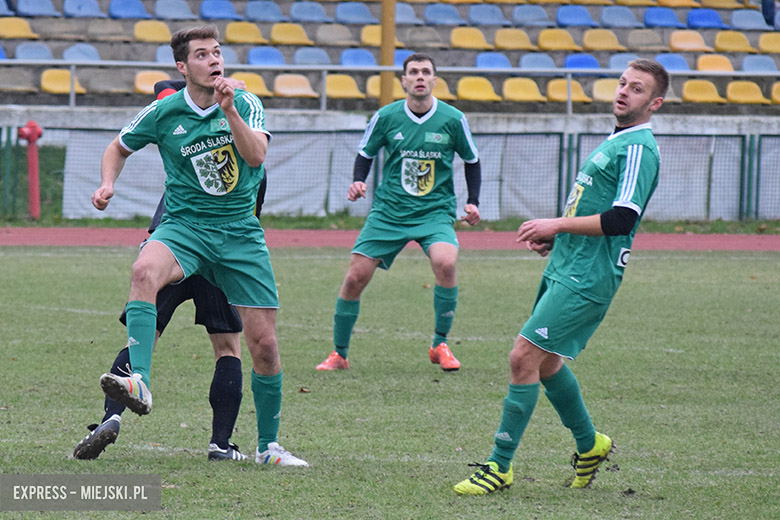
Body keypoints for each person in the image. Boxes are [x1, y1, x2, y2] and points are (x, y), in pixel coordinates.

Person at [89, 25, 306, 466]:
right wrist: (107, 183)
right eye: (203, 54)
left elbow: (255, 158)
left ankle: (268, 447)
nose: (214, 60)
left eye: (218, 53)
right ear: (182, 66)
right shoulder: (164, 111)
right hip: (184, 226)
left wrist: (230, 113)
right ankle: (139, 382)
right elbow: (118, 146)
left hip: (239, 233)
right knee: (142, 271)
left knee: (263, 345)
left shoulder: (245, 103)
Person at [453, 59, 669, 495]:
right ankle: (591, 445)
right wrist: (559, 241)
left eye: (638, 89)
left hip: (588, 277)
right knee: (547, 363)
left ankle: (499, 466)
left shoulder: (639, 147)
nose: (624, 91)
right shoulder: (616, 140)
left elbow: (622, 217)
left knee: (522, 358)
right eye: (623, 83)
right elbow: (597, 210)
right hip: (568, 265)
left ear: (655, 103)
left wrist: (557, 225)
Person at [73, 80, 268, 462]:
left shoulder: (182, 146)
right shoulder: (232, 143)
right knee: (227, 345)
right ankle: (221, 444)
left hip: (173, 254)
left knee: (144, 336)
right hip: (219, 256)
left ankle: (110, 419)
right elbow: (254, 200)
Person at [315, 52, 482, 373]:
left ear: (435, 80)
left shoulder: (452, 119)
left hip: (434, 212)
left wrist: (473, 200)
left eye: (426, 72)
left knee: (446, 263)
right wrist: (358, 182)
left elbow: (472, 160)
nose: (420, 77)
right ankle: (339, 354)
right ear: (403, 80)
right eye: (413, 72)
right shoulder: (386, 117)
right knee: (354, 278)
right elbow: (365, 153)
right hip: (389, 213)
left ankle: (440, 344)